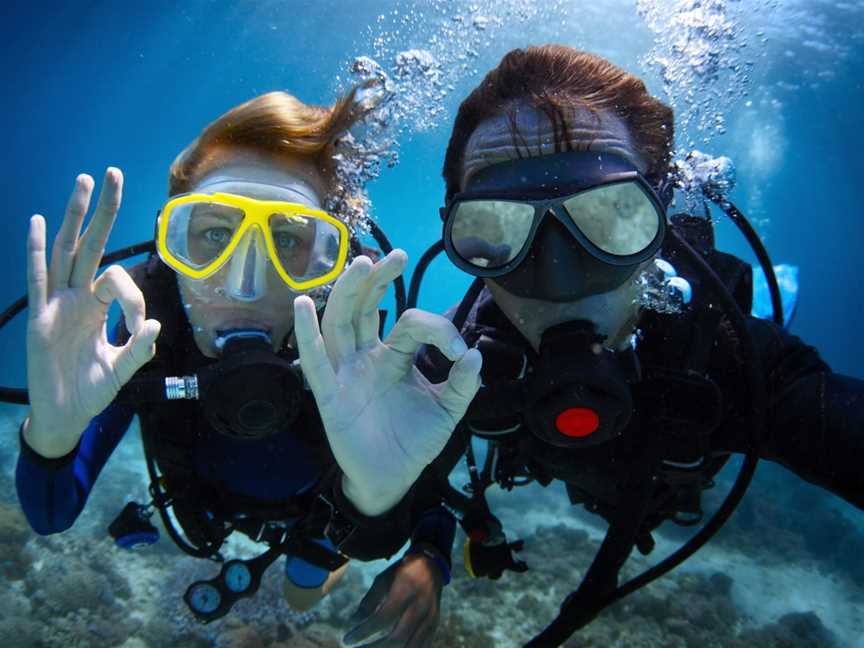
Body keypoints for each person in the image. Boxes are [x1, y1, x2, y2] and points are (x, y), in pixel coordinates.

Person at [405, 44, 863, 647]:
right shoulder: (455, 358)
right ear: (459, 236)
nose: (559, 282)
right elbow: (404, 487)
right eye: (493, 229)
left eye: (612, 216)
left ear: (660, 215)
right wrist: (424, 551)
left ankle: (781, 281)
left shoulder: (725, 353)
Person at [15, 89, 481, 633]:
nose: (245, 285)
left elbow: (427, 485)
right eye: (213, 234)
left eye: (288, 241)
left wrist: (401, 528)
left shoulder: (358, 342)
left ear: (332, 266)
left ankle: (314, 567)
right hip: (204, 510)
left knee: (303, 591)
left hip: (321, 519)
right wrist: (52, 434)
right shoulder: (144, 329)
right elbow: (52, 515)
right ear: (172, 250)